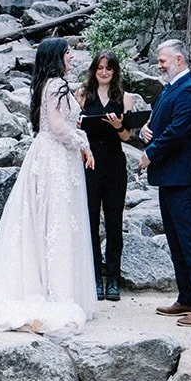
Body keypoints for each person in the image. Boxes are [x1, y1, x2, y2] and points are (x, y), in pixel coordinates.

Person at [0, 37, 99, 334]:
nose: (72, 56)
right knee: (56, 219)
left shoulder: (50, 84)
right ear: (57, 56)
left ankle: (53, 285)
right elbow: (57, 126)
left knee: (52, 220)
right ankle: (56, 291)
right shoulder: (56, 85)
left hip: (53, 155)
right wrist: (83, 144)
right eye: (68, 52)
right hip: (55, 157)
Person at [138, 38, 191, 327]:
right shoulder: (171, 88)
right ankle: (187, 298)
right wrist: (147, 130)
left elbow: (178, 131)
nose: (159, 65)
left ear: (179, 61)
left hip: (185, 177)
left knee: (190, 240)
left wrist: (151, 152)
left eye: (163, 60)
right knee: (176, 240)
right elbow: (161, 122)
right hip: (171, 177)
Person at [79, 51, 137, 302]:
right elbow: (75, 130)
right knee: (90, 221)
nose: (104, 72)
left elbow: (127, 137)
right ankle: (93, 276)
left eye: (109, 69)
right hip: (89, 164)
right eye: (100, 68)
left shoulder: (125, 98)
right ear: (94, 70)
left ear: (115, 72)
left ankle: (113, 278)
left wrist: (117, 126)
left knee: (114, 222)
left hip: (114, 164)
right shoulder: (82, 95)